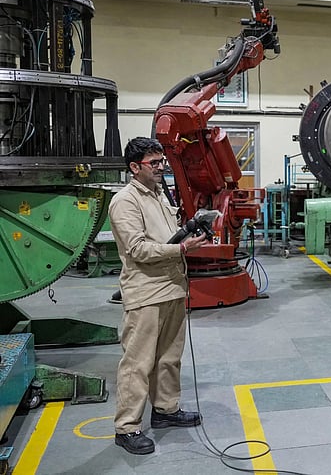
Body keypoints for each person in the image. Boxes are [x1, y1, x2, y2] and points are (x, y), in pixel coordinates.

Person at [108, 137, 207, 455]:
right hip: (146, 292)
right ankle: (127, 428)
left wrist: (188, 232)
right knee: (138, 363)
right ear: (135, 167)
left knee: (169, 357)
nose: (161, 167)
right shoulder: (125, 201)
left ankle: (165, 410)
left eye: (162, 161)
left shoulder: (159, 194)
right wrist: (181, 248)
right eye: (155, 163)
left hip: (172, 287)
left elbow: (163, 236)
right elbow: (137, 249)